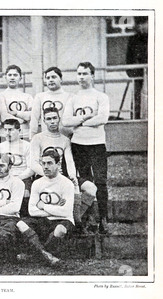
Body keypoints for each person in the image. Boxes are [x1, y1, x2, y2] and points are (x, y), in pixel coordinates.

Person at [30, 106, 98, 233]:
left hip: (63, 176)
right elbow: (33, 163)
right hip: (46, 176)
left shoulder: (64, 139)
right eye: (49, 119)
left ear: (59, 119)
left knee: (91, 188)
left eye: (55, 118)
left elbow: (70, 160)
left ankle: (75, 217)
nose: (52, 121)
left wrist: (72, 177)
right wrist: (47, 173)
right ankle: (74, 223)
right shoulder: (38, 138)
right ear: (44, 121)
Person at [62, 62, 110, 234]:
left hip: (96, 144)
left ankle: (103, 219)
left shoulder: (100, 96)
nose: (81, 77)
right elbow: (66, 121)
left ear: (92, 75)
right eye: (79, 74)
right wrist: (89, 117)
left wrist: (79, 121)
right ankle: (89, 218)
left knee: (101, 181)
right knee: (85, 181)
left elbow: (102, 118)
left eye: (85, 73)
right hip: (79, 144)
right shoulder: (73, 98)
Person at [15, 149, 74, 266]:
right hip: (43, 221)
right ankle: (45, 254)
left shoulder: (67, 183)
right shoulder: (37, 183)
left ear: (58, 164)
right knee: (20, 224)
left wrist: (43, 206)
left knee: (60, 230)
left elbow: (66, 211)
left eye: (50, 163)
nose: (46, 167)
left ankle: (36, 254)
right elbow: (32, 211)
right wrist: (55, 209)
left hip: (63, 220)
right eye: (43, 163)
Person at [0, 119, 34, 216]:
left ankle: (23, 218)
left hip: (21, 178)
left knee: (25, 193)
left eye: (10, 130)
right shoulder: (0, 146)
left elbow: (31, 169)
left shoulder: (27, 146)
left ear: (19, 131)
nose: (7, 133)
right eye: (5, 130)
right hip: (2, 178)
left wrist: (15, 179)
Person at [30, 67, 74, 139]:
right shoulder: (40, 97)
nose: (50, 80)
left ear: (61, 79)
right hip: (47, 139)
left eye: (53, 77)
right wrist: (32, 137)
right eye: (48, 78)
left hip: (67, 138)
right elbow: (34, 119)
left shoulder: (70, 96)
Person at [0, 65, 33, 141]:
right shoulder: (0, 96)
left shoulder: (27, 96)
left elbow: (32, 116)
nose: (12, 77)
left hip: (24, 134)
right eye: (10, 75)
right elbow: (4, 117)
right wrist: (23, 119)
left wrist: (17, 113)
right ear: (5, 77)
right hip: (5, 135)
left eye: (15, 75)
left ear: (20, 78)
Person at [126, 16, 148, 119]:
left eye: (144, 24)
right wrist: (131, 73)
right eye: (139, 24)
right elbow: (129, 58)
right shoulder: (133, 39)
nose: (141, 27)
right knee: (136, 99)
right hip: (138, 74)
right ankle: (135, 118)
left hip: (151, 73)